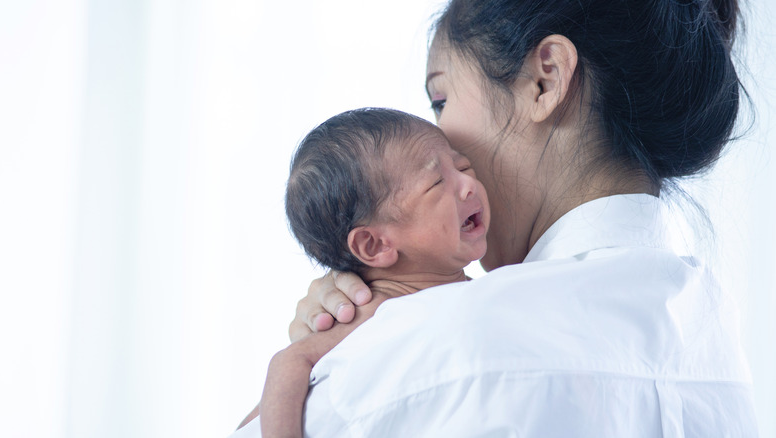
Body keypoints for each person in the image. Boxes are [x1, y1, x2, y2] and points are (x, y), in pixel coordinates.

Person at [242, 0, 760, 436]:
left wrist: (324, 362)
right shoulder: (718, 344)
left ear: (545, 79)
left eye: (440, 100)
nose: (436, 135)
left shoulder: (427, 354)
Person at [235, 108, 490, 436]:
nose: (469, 184)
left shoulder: (470, 289)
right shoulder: (375, 307)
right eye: (438, 182)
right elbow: (287, 363)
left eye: (462, 165)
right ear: (375, 245)